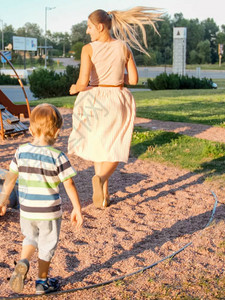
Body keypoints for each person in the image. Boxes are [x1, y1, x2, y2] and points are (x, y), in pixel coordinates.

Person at [68, 7, 161, 208]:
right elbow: (134, 80)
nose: (87, 31)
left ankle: (101, 186)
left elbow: (83, 82)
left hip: (94, 100)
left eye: (89, 27)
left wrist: (75, 87)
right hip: (116, 99)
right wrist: (117, 78)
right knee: (115, 147)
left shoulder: (88, 49)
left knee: (101, 146)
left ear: (100, 27)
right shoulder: (123, 47)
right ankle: (102, 186)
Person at [0, 103, 83, 295]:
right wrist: (77, 208)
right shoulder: (58, 156)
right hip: (48, 213)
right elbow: (69, 184)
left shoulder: (21, 151)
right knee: (46, 246)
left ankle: (23, 261)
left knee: (30, 238)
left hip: (27, 210)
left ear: (31, 129)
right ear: (57, 131)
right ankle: (42, 282)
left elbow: (10, 178)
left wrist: (1, 202)